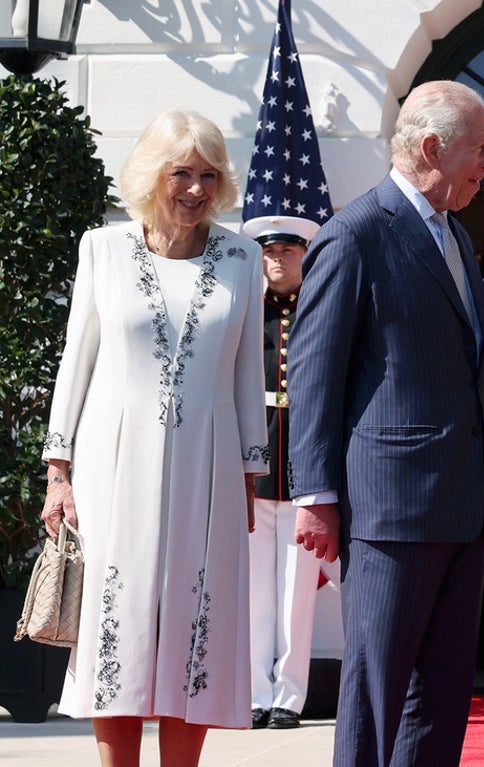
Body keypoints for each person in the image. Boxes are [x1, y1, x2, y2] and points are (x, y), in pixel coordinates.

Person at [40, 108, 268, 766]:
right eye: (181, 174)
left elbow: (249, 372)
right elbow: (75, 364)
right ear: (152, 175)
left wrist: (251, 473)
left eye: (208, 175)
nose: (195, 189)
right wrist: (59, 472)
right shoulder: (103, 250)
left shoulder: (242, 257)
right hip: (113, 468)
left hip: (213, 467)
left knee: (194, 628)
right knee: (122, 624)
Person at [286, 80, 484, 767]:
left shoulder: (458, 238)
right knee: (377, 695)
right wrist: (315, 493)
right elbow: (314, 373)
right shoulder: (356, 234)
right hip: (389, 511)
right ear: (433, 147)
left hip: (464, 507)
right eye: (482, 149)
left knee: (440, 700)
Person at [239, 214, 323, 730]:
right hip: (254, 464)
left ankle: (288, 698)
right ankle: (251, 692)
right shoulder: (246, 311)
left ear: (303, 256)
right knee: (253, 591)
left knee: (297, 595)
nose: (277, 260)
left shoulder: (318, 309)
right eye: (269, 252)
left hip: (302, 467)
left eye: (287, 252)